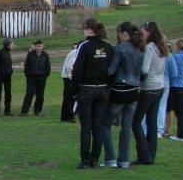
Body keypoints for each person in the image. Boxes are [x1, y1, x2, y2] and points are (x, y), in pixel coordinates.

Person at [101, 21, 145, 168]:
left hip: (120, 89)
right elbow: (143, 72)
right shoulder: (140, 49)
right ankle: (124, 160)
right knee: (126, 127)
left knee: (106, 124)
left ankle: (110, 158)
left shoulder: (120, 49)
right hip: (134, 90)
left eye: (119, 33)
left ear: (124, 34)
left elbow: (111, 70)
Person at [71, 18, 113, 169]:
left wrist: (73, 90)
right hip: (102, 89)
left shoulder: (85, 46)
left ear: (89, 29)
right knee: (98, 126)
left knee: (86, 127)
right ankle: (95, 158)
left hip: (86, 89)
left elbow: (77, 70)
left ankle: (85, 160)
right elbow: (111, 69)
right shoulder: (108, 47)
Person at [131, 21, 169, 165]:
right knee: (151, 122)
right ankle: (150, 155)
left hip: (149, 88)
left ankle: (144, 154)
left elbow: (145, 69)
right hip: (159, 86)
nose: (141, 35)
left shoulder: (149, 48)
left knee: (136, 122)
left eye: (143, 32)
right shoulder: (162, 47)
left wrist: (137, 75)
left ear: (149, 32)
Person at [20, 40, 52, 116]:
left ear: (42, 46)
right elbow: (26, 66)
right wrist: (28, 76)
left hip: (41, 78)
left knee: (40, 95)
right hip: (31, 78)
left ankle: (37, 111)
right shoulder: (30, 54)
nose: (39, 48)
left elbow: (48, 67)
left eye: (40, 46)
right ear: (35, 47)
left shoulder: (45, 55)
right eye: (38, 46)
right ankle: (24, 111)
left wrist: (45, 76)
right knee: (29, 94)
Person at [0, 38, 14, 115]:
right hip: (1, 76)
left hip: (8, 76)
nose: (12, 45)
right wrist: (0, 72)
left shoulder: (8, 52)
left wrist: (10, 70)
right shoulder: (0, 52)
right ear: (7, 45)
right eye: (11, 44)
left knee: (8, 93)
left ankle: (7, 110)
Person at [60, 42, 80, 123]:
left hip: (68, 77)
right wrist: (72, 79)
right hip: (68, 78)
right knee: (70, 98)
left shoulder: (75, 52)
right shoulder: (75, 53)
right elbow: (69, 67)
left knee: (68, 98)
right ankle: (69, 116)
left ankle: (66, 116)